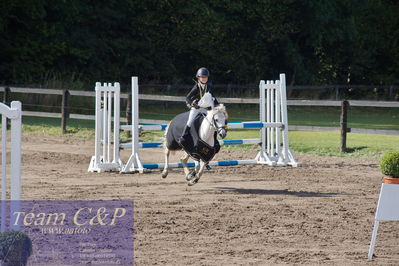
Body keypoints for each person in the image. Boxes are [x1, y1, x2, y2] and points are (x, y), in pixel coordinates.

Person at [177, 67, 219, 145]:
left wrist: (218, 106)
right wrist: (193, 104)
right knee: (190, 120)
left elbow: (213, 97)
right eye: (202, 77)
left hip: (204, 109)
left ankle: (214, 139)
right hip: (196, 108)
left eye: (205, 77)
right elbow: (188, 98)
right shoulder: (196, 87)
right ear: (198, 78)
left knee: (213, 120)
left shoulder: (208, 87)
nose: (204, 79)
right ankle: (183, 137)